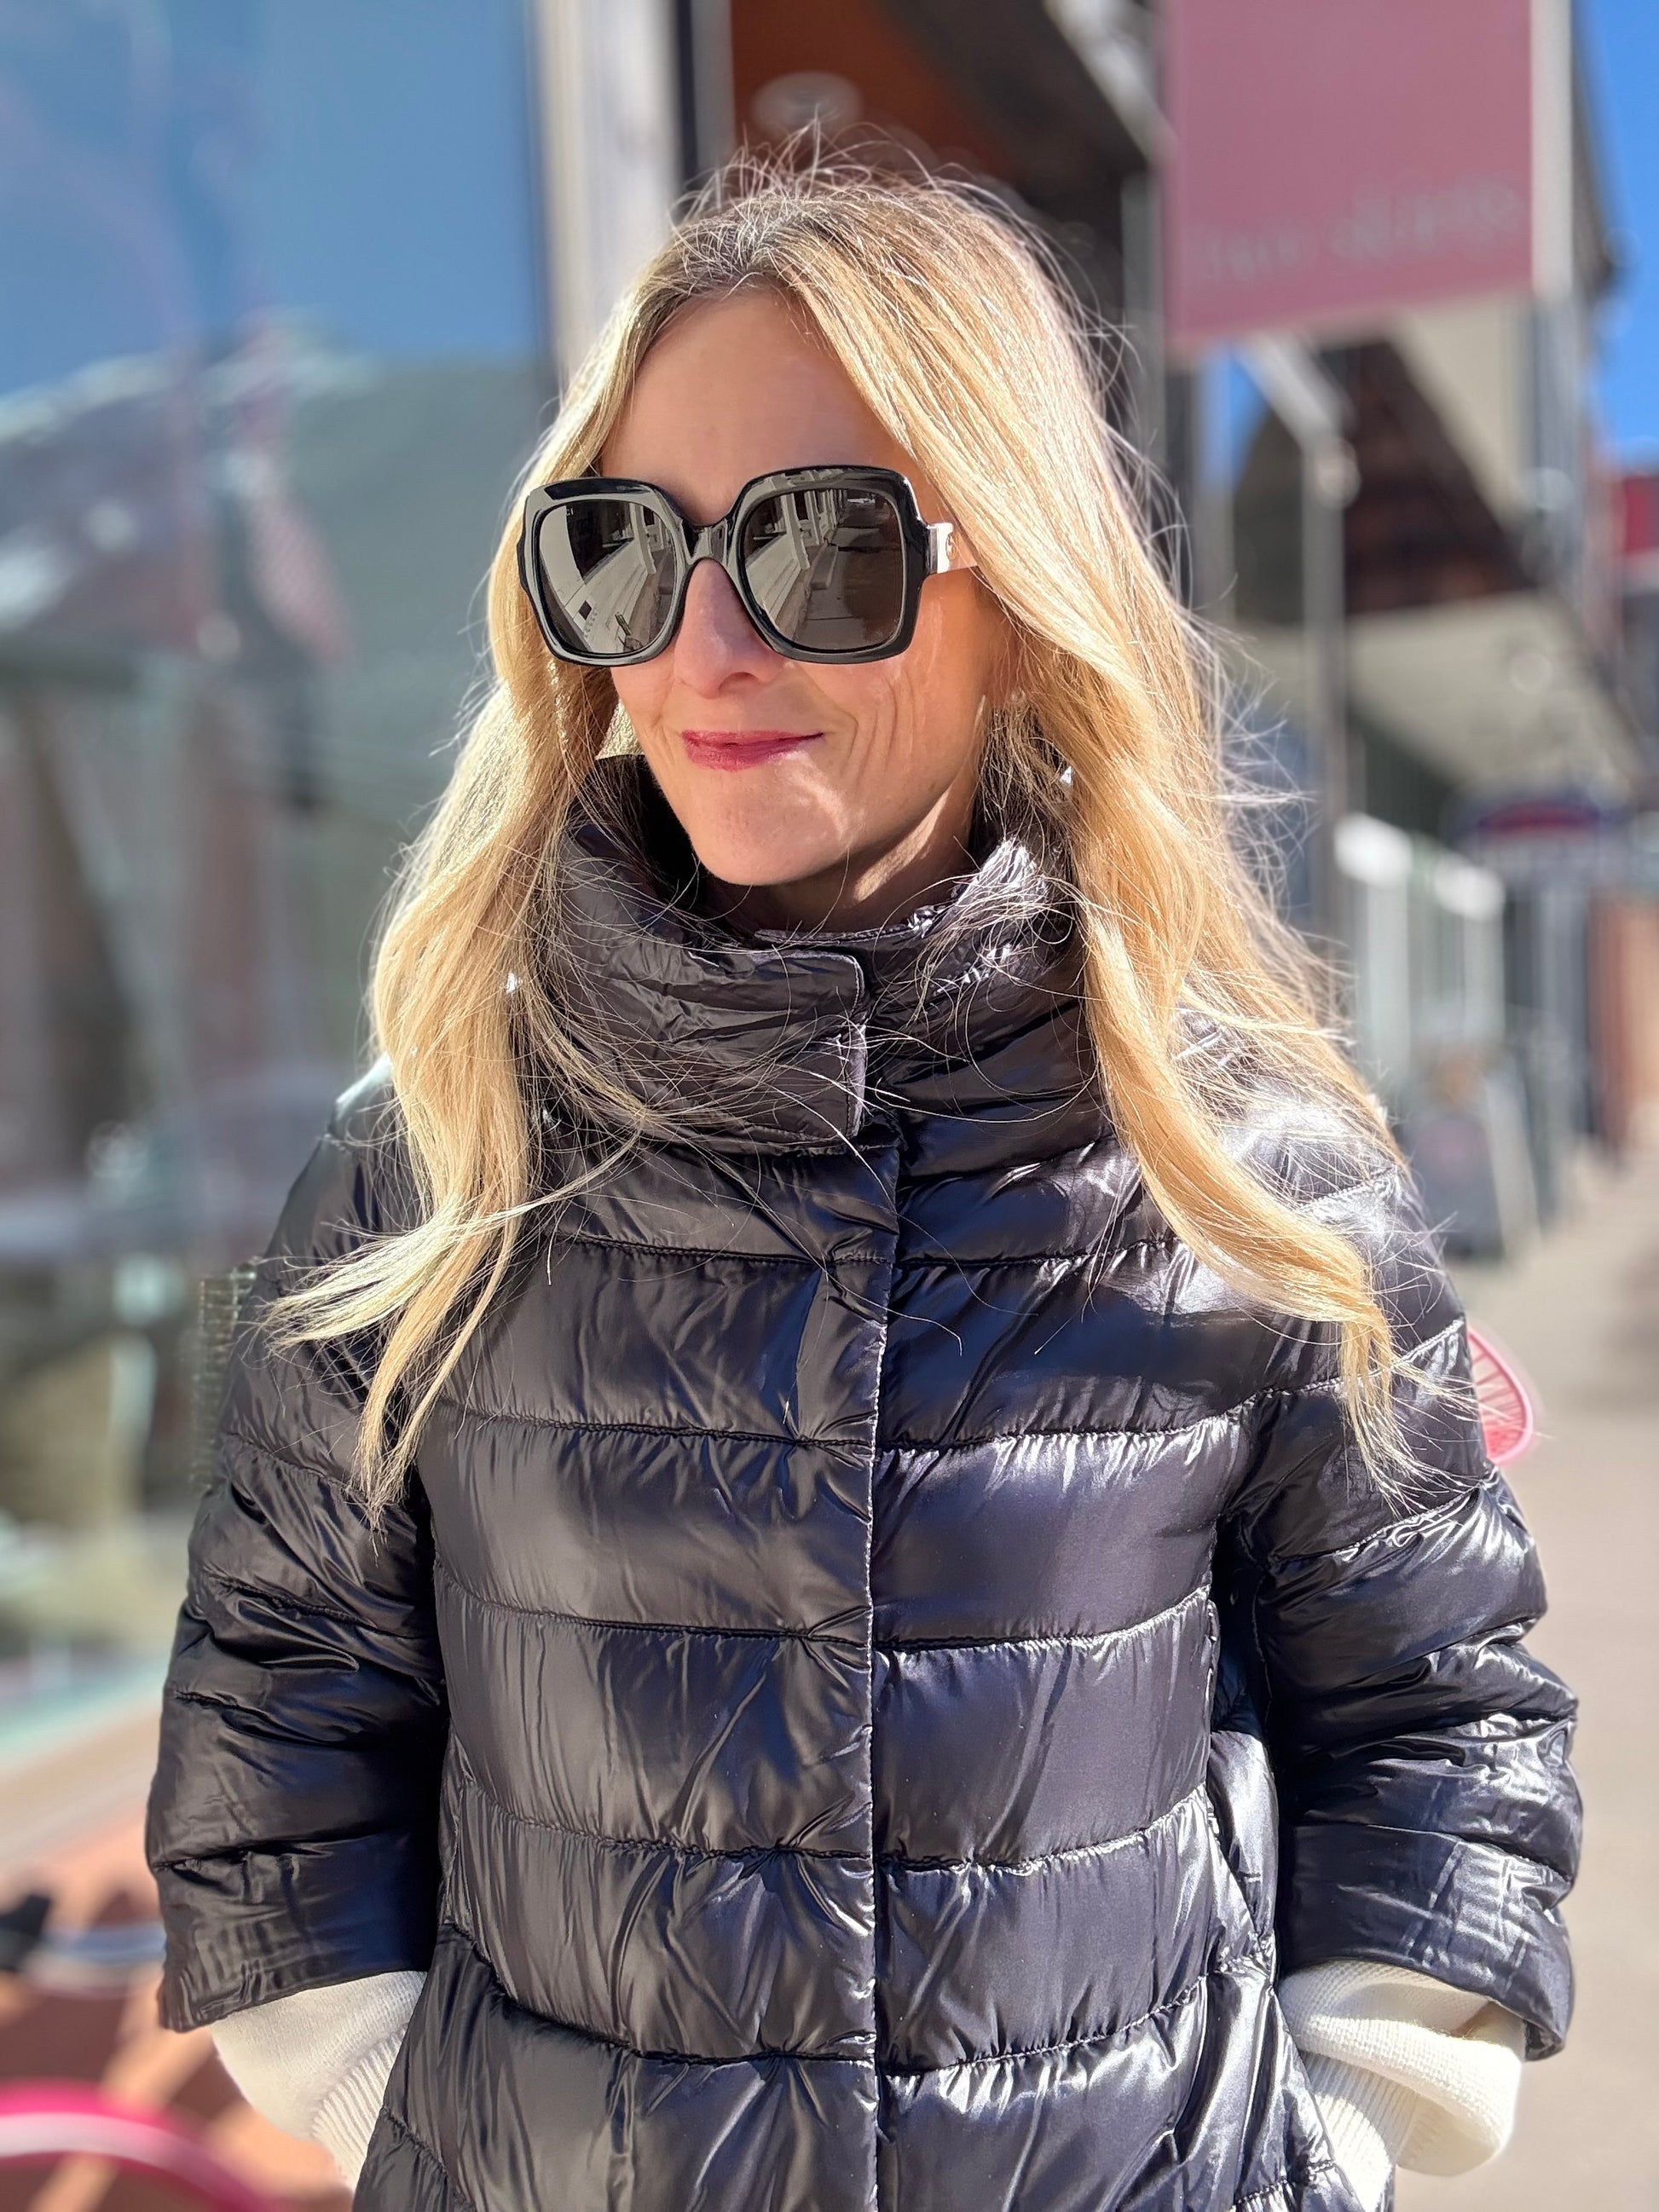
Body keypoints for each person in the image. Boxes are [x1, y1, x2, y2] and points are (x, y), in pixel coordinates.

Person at [145, 155, 1578, 2212]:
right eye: (624, 549)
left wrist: (1326, 2141)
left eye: (820, 542)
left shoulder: (1242, 1168)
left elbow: (1441, 1715)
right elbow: (278, 1706)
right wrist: (428, 2125)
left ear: (1020, 597)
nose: (705, 643)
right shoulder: (436, 1149)